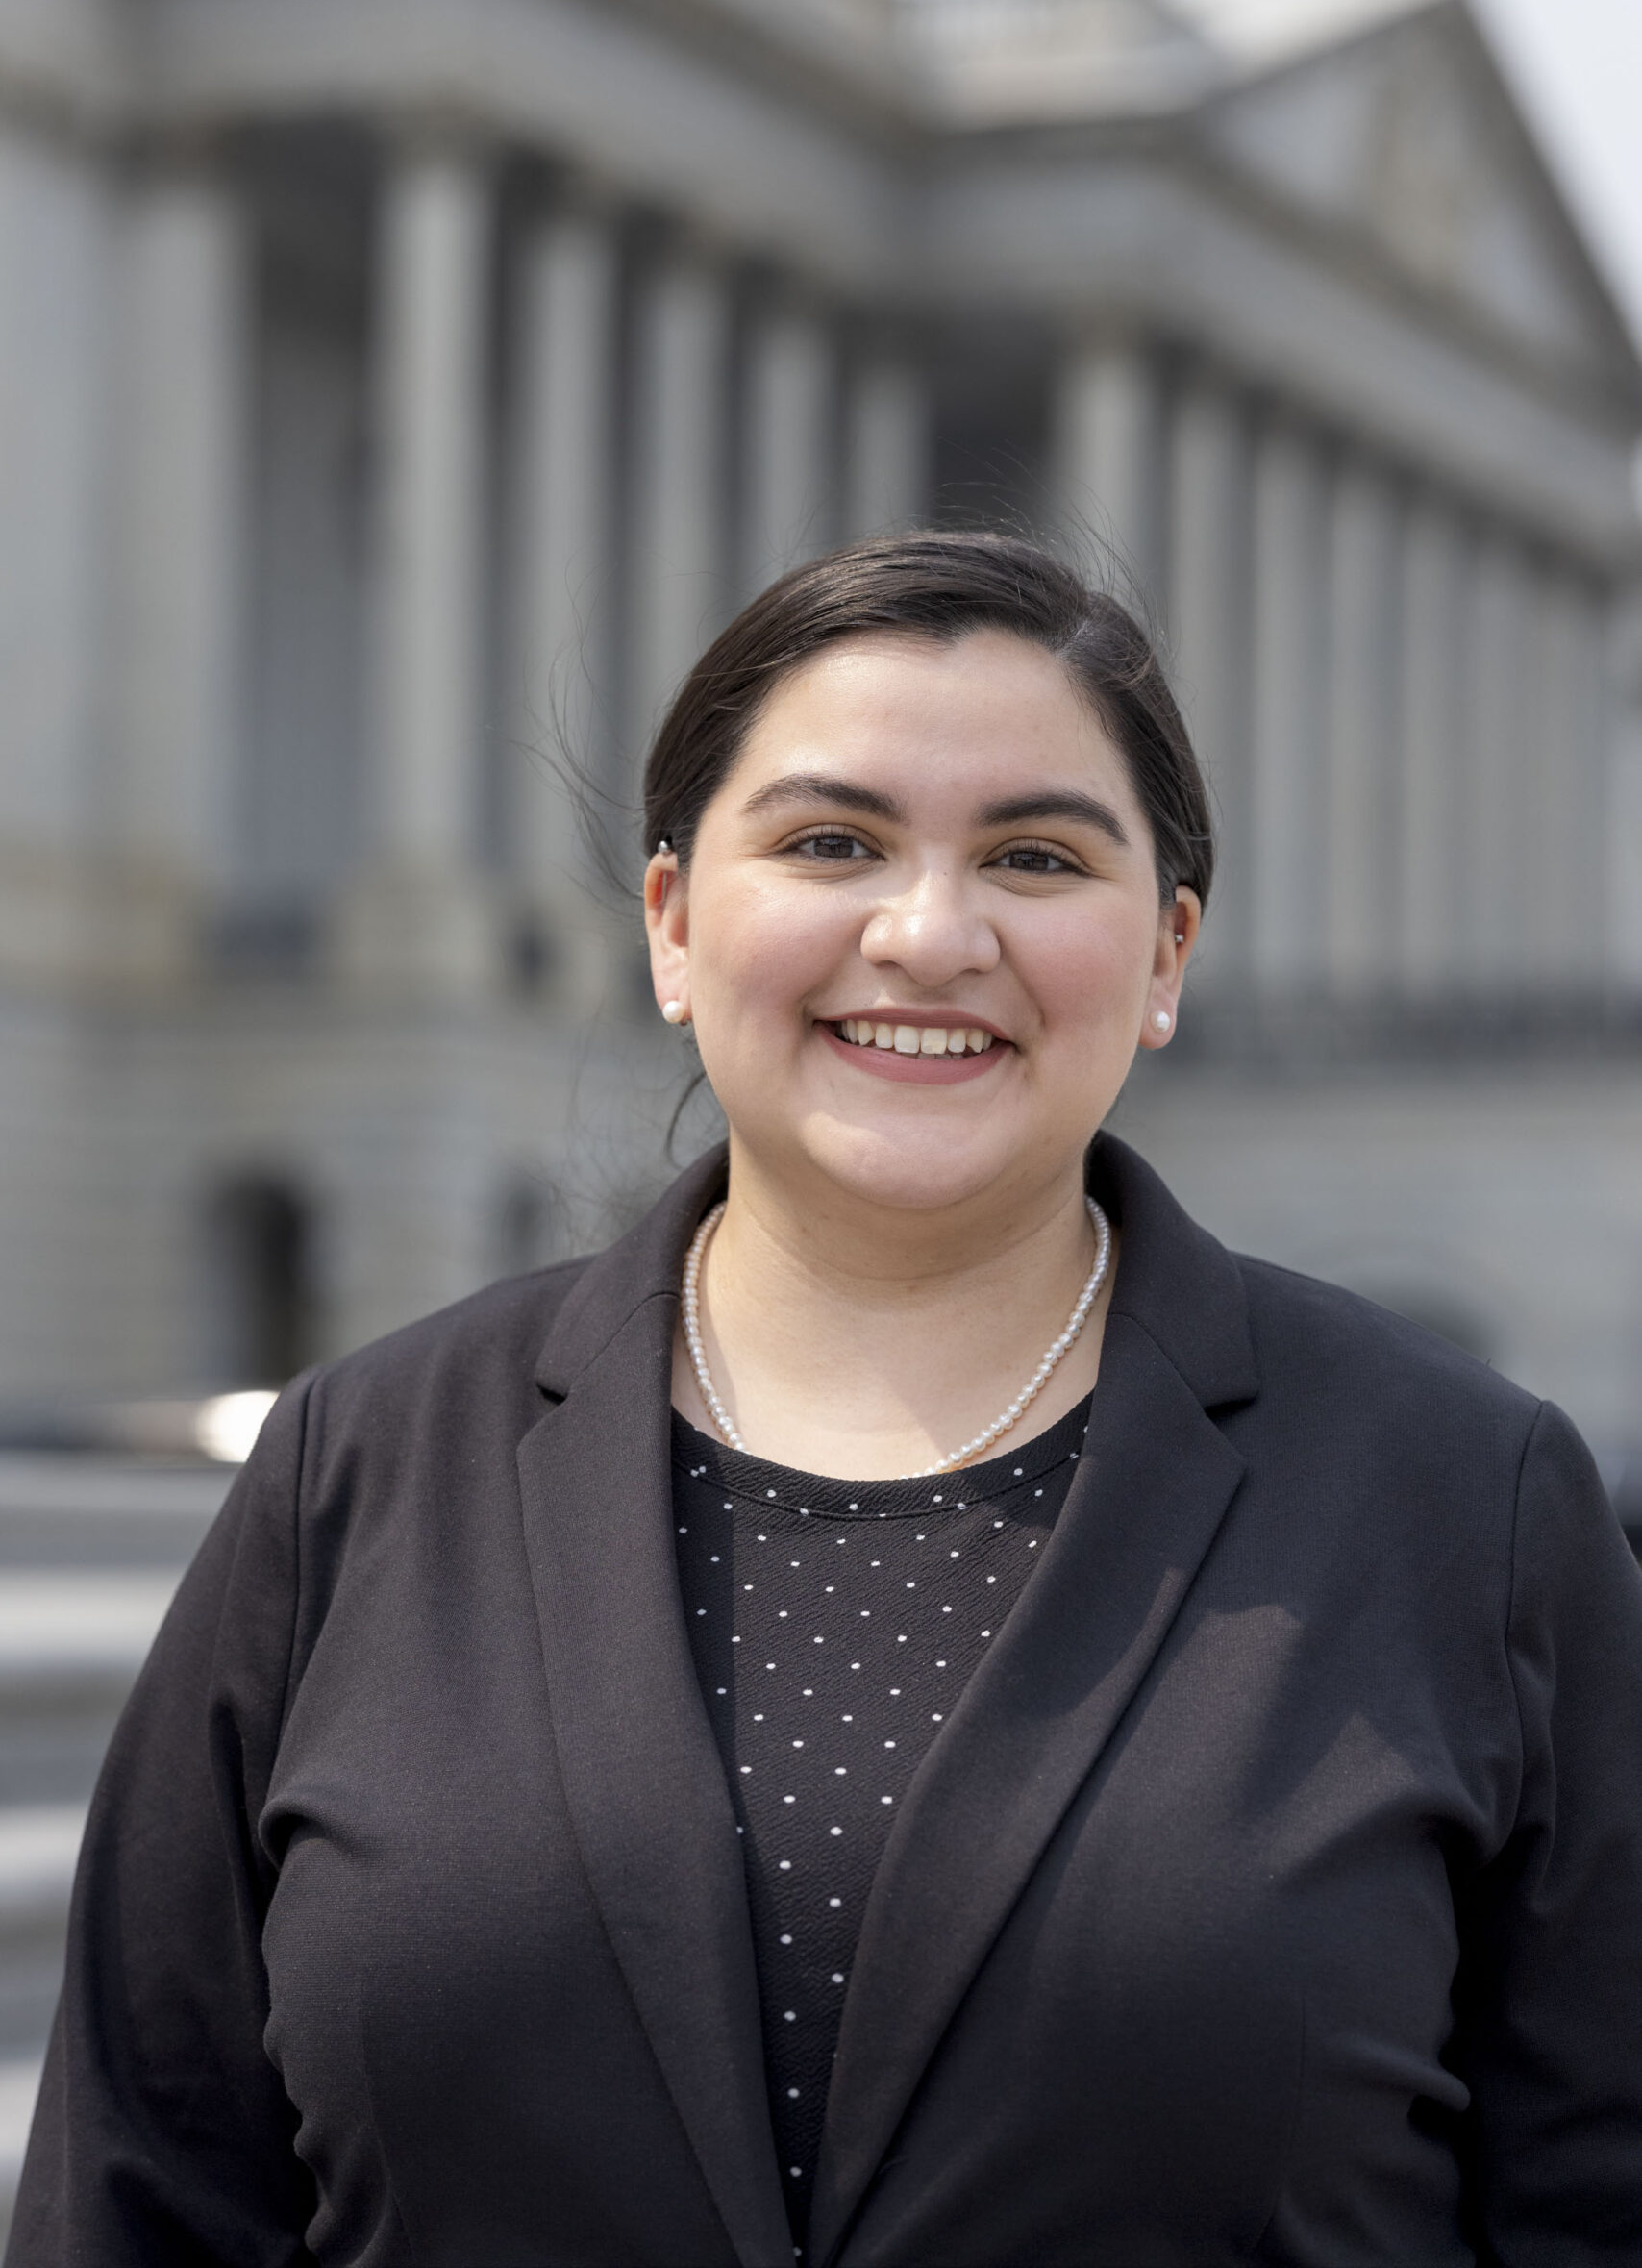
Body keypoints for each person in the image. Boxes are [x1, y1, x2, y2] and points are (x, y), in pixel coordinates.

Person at [12, 531, 1642, 2267]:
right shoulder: (362, 1476)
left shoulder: (1465, 1504)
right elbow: (143, 2193)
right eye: (829, 842)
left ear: (1165, 956)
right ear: (673, 923)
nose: (930, 934)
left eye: (1034, 855)